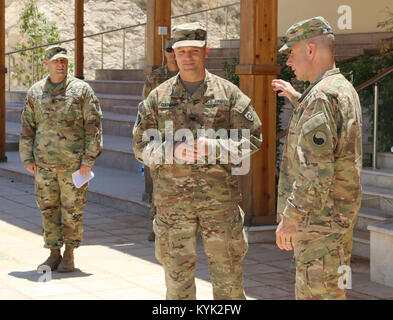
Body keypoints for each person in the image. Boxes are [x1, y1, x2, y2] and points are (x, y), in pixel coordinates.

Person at [133, 22, 262, 300]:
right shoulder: (157, 97)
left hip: (220, 205)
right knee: (177, 284)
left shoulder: (228, 94)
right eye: (182, 52)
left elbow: (253, 138)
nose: (188, 57)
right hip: (173, 207)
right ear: (173, 54)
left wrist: (214, 146)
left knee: (228, 281)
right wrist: (172, 150)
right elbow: (140, 145)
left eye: (194, 50)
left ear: (207, 51)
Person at [271, 16, 362, 300]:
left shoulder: (321, 97)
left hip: (319, 223)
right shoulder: (339, 88)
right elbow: (330, 133)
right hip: (335, 220)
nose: (288, 62)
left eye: (292, 52)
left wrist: (291, 217)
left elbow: (316, 169)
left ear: (310, 50)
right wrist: (298, 98)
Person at [19, 45, 103, 273]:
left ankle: (70, 253)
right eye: (56, 61)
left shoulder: (81, 90)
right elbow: (28, 127)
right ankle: (53, 253)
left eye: (64, 61)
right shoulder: (35, 92)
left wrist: (88, 159)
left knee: (73, 209)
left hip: (74, 166)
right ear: (47, 63)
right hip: (44, 166)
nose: (61, 64)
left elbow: (93, 126)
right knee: (48, 209)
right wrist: (27, 157)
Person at [142, 38, 179, 242]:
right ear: (164, 52)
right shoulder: (156, 78)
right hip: (161, 140)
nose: (172, 53)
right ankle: (156, 225)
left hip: (184, 139)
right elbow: (145, 109)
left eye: (176, 49)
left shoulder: (188, 77)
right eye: (169, 50)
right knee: (158, 185)